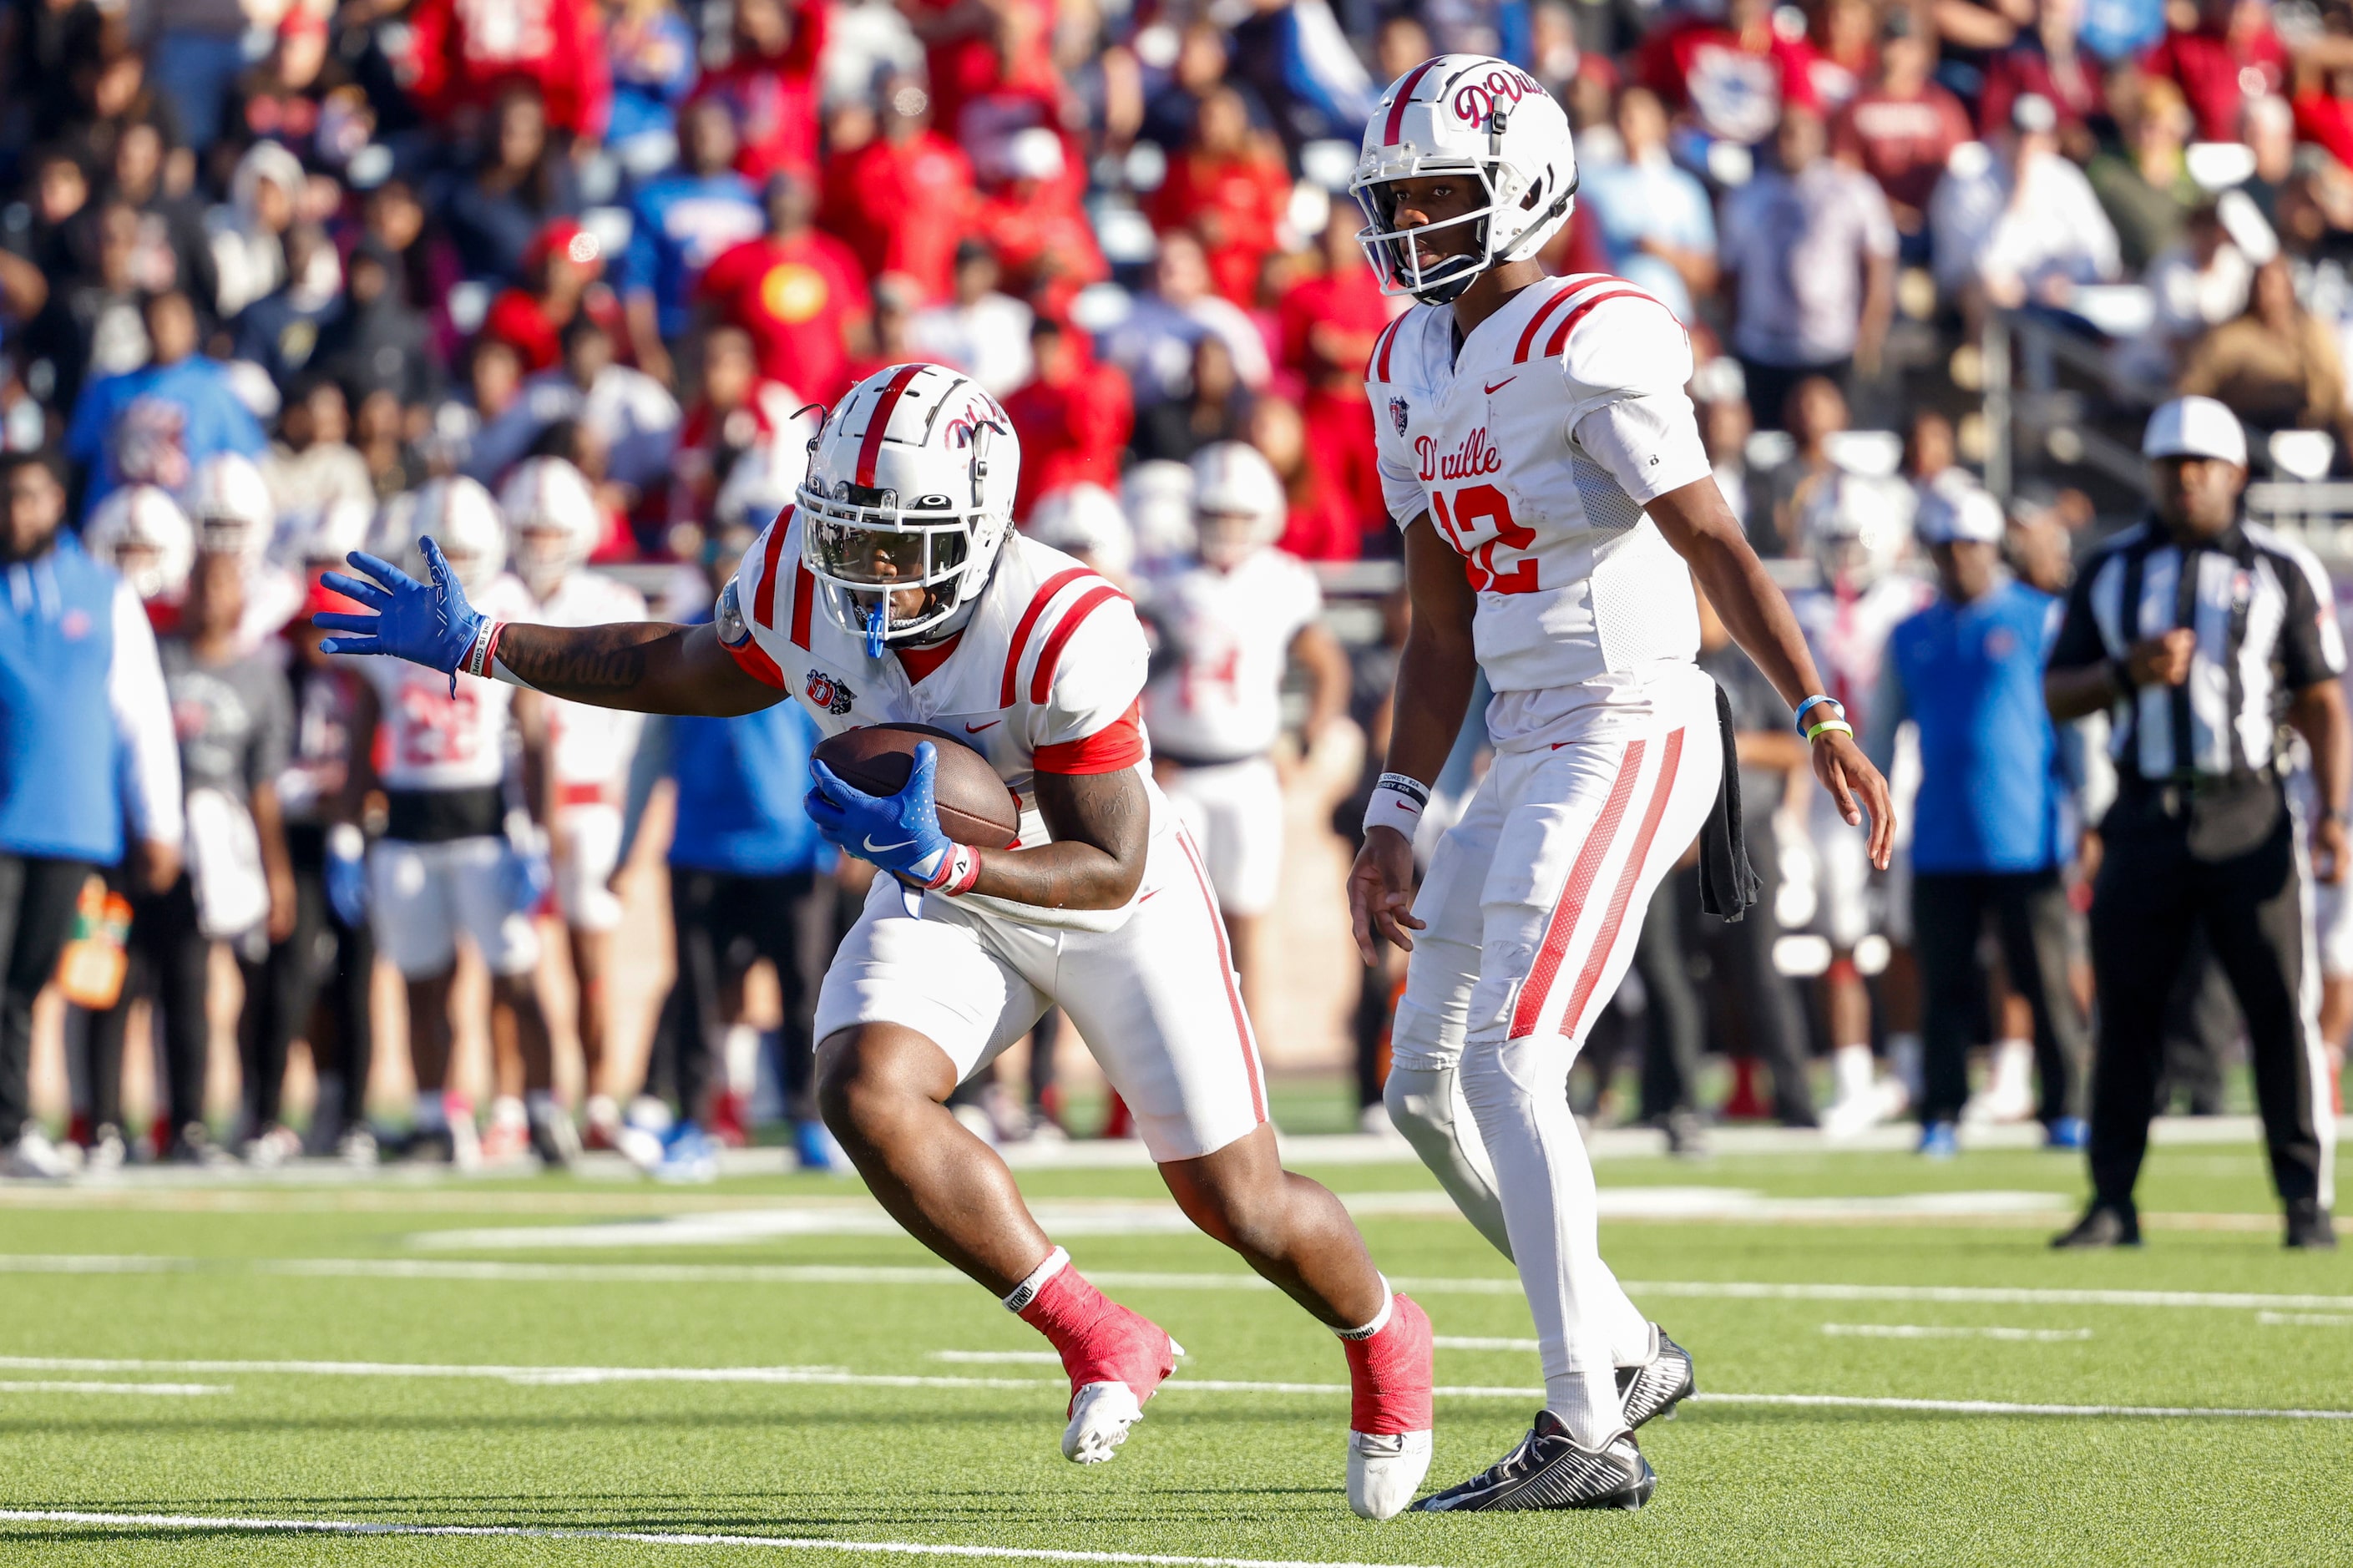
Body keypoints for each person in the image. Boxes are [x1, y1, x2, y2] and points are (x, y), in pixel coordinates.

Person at [314, 360, 1440, 1520]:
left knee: (1237, 1200)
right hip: (944, 886)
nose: (863, 569)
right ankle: (1096, 1331)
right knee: (861, 1086)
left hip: (1105, 896)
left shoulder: (1064, 623)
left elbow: (1106, 857)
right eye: (845, 535)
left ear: (978, 525)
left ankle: (1386, 1340)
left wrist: (954, 860)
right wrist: (491, 642)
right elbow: (686, 665)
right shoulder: (802, 573)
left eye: (895, 544)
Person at [1345, 54, 1892, 1509]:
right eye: (1392, 197)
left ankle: (1585, 1426)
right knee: (1420, 1086)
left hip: (1632, 711)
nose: (1408, 221)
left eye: (1437, 193)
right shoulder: (1404, 360)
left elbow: (1712, 540)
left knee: (1512, 1059)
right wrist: (1394, 809)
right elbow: (1439, 622)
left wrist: (1820, 709)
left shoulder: (1595, 330)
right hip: (1519, 726)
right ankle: (1621, 1343)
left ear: (1524, 184)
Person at [2045, 397, 2345, 1252]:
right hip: (2143, 810)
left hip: (2247, 804)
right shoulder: (2109, 570)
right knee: (2127, 1012)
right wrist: (2125, 674)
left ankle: (2302, 1201)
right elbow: (2056, 689)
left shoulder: (2282, 567)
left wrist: (2331, 815)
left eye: (2199, 464)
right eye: (2169, 464)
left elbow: (2323, 698)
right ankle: (2111, 1198)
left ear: (2232, 472)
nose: (2183, 479)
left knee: (2277, 1009)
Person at [346, 476, 565, 1168]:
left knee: (516, 978)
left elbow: (534, 731)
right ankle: (434, 1116)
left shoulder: (506, 608)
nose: (455, 565)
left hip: (485, 819)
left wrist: (536, 833)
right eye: (443, 550)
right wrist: (347, 833)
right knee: (420, 982)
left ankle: (537, 1108)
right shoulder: (396, 616)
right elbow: (363, 733)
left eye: (467, 549)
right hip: (408, 819)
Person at [619, 501, 841, 1172]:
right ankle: (692, 1122)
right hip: (702, 849)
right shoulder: (686, 648)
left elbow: (839, 744)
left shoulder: (809, 649)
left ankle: (810, 1121)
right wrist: (624, 849)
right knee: (697, 992)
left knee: (806, 992)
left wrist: (846, 840)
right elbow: (648, 758)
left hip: (792, 849)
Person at [1875, 479, 2087, 1158]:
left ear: (1991, 545)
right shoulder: (1910, 635)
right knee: (1946, 987)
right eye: (1947, 546)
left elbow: (2078, 727)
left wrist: (2093, 816)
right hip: (1941, 837)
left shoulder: (2040, 618)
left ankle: (2066, 1106)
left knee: (2046, 981)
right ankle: (1941, 1110)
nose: (1958, 557)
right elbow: (1880, 735)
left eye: (1969, 544)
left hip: (2027, 835)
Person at [0, 449, 182, 1177]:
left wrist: (158, 821)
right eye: (8, 498)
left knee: (31, 979)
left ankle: (15, 1131)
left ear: (58, 502)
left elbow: (140, 713)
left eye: (32, 497)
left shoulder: (104, 594)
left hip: (74, 822)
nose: (18, 513)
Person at [1141, 443, 1349, 1016]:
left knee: (1246, 928)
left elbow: (1326, 662)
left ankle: (1248, 1075)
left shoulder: (1282, 579)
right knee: (1174, 925)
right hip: (1174, 769)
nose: (1226, 529)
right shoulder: (1160, 574)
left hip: (1248, 770)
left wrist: (1306, 737)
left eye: (1238, 517)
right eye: (1214, 515)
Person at [498, 456, 645, 1149]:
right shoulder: (496, 595)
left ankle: (598, 1102)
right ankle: (525, 1101)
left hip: (591, 803)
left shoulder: (611, 603)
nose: (542, 540)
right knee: (514, 963)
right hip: (507, 807)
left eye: (553, 528)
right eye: (531, 527)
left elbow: (635, 721)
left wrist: (615, 794)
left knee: (592, 963)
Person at [1785, 469, 1934, 1135]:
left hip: (1905, 783)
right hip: (1831, 795)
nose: (1844, 552)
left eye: (1855, 538)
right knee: (1839, 934)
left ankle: (1907, 1071)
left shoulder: (1913, 603)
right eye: (1833, 538)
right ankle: (1850, 1074)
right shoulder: (1800, 610)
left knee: (1905, 934)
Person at [1718, 103, 1896, 429]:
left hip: (1832, 344)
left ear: (1820, 137)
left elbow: (1878, 264)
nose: (1790, 141)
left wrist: (1870, 333)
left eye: (1799, 133)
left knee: (1835, 442)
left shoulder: (1851, 190)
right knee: (1770, 445)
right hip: (1763, 348)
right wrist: (1735, 335)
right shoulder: (1747, 196)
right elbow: (1732, 274)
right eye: (1784, 133)